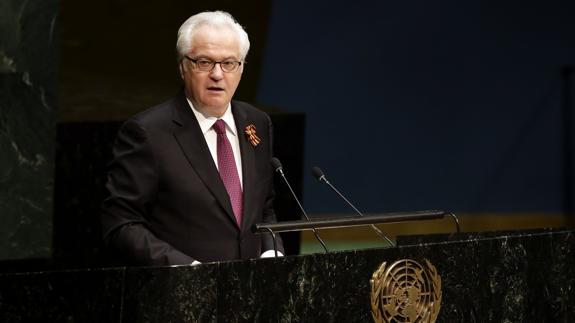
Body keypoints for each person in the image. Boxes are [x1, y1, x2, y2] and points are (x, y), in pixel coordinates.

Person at [101, 11, 284, 266]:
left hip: (249, 295)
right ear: (183, 66)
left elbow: (264, 207)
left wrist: (271, 251)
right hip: (181, 296)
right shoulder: (148, 132)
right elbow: (121, 224)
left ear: (241, 69)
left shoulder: (257, 123)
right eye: (205, 62)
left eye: (229, 63)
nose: (218, 74)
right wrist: (186, 270)